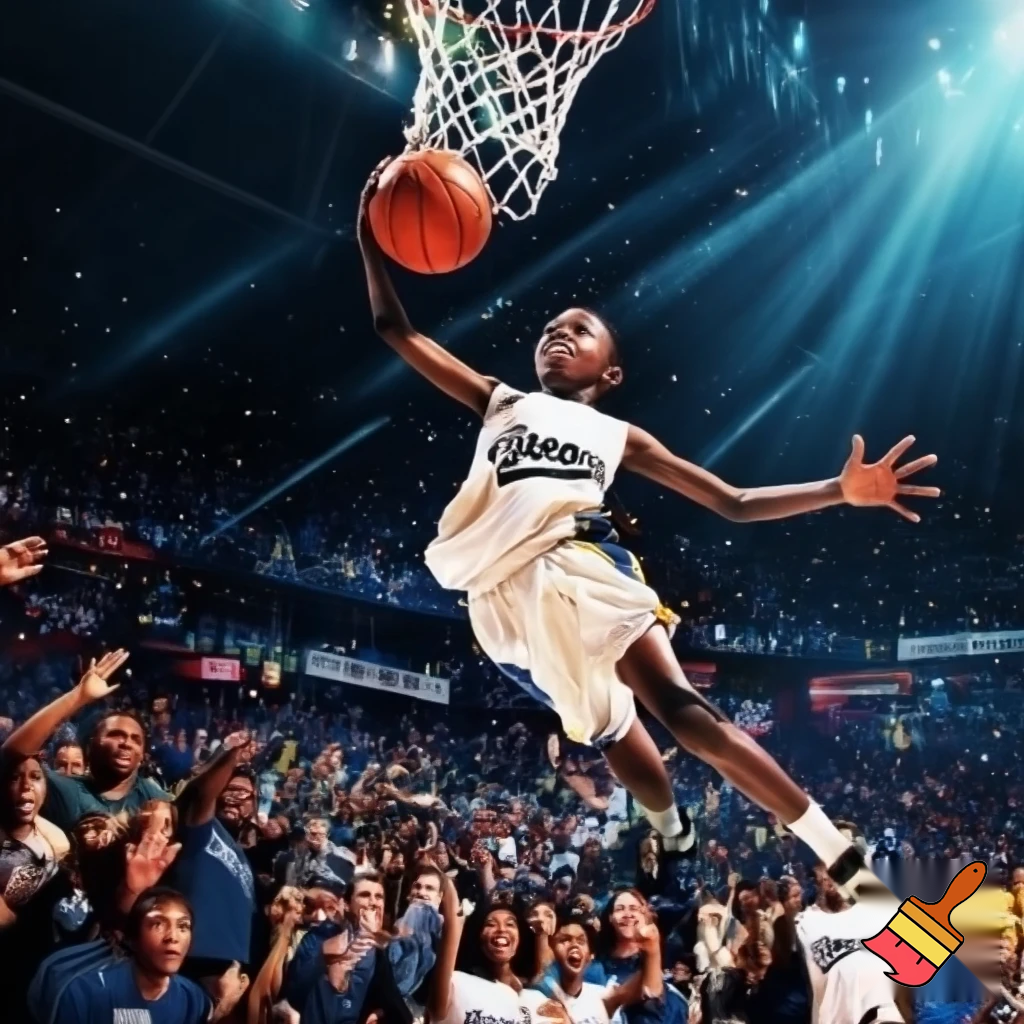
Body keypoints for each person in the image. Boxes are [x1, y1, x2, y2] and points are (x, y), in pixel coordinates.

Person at [357, 164, 941, 896]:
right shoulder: (500, 400)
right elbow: (394, 327)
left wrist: (837, 490)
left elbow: (731, 500)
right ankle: (673, 830)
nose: (558, 338)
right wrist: (371, 230)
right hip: (501, 595)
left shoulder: (620, 435)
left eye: (579, 331)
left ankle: (838, 854)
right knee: (607, 730)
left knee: (685, 714)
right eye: (549, 331)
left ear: (611, 373)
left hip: (586, 561)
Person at [2, 650, 169, 832]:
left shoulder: (155, 799)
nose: (126, 743)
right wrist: (78, 696)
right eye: (115, 734)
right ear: (90, 746)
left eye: (136, 740)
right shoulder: (65, 790)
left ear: (142, 756)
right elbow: (11, 756)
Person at [53, 886, 211, 1024]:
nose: (173, 937)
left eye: (183, 927)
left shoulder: (192, 998)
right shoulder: (85, 993)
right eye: (158, 924)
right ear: (133, 938)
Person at [521, 909, 663, 1024]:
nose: (574, 945)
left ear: (590, 955)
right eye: (564, 940)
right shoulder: (531, 997)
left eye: (581, 941)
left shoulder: (600, 996)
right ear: (552, 951)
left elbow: (646, 988)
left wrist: (651, 948)